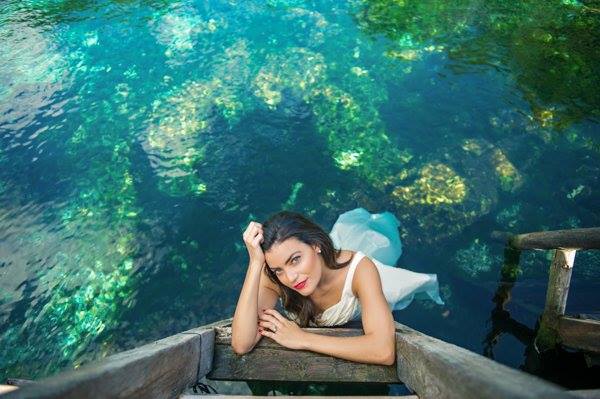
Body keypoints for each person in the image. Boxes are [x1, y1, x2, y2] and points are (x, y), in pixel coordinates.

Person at [231, 209, 443, 365]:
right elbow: (242, 344)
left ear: (315, 245)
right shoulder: (275, 277)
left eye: (295, 259)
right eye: (278, 269)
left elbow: (383, 351)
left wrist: (302, 338)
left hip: (357, 280)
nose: (291, 277)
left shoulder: (360, 270)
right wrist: (256, 264)